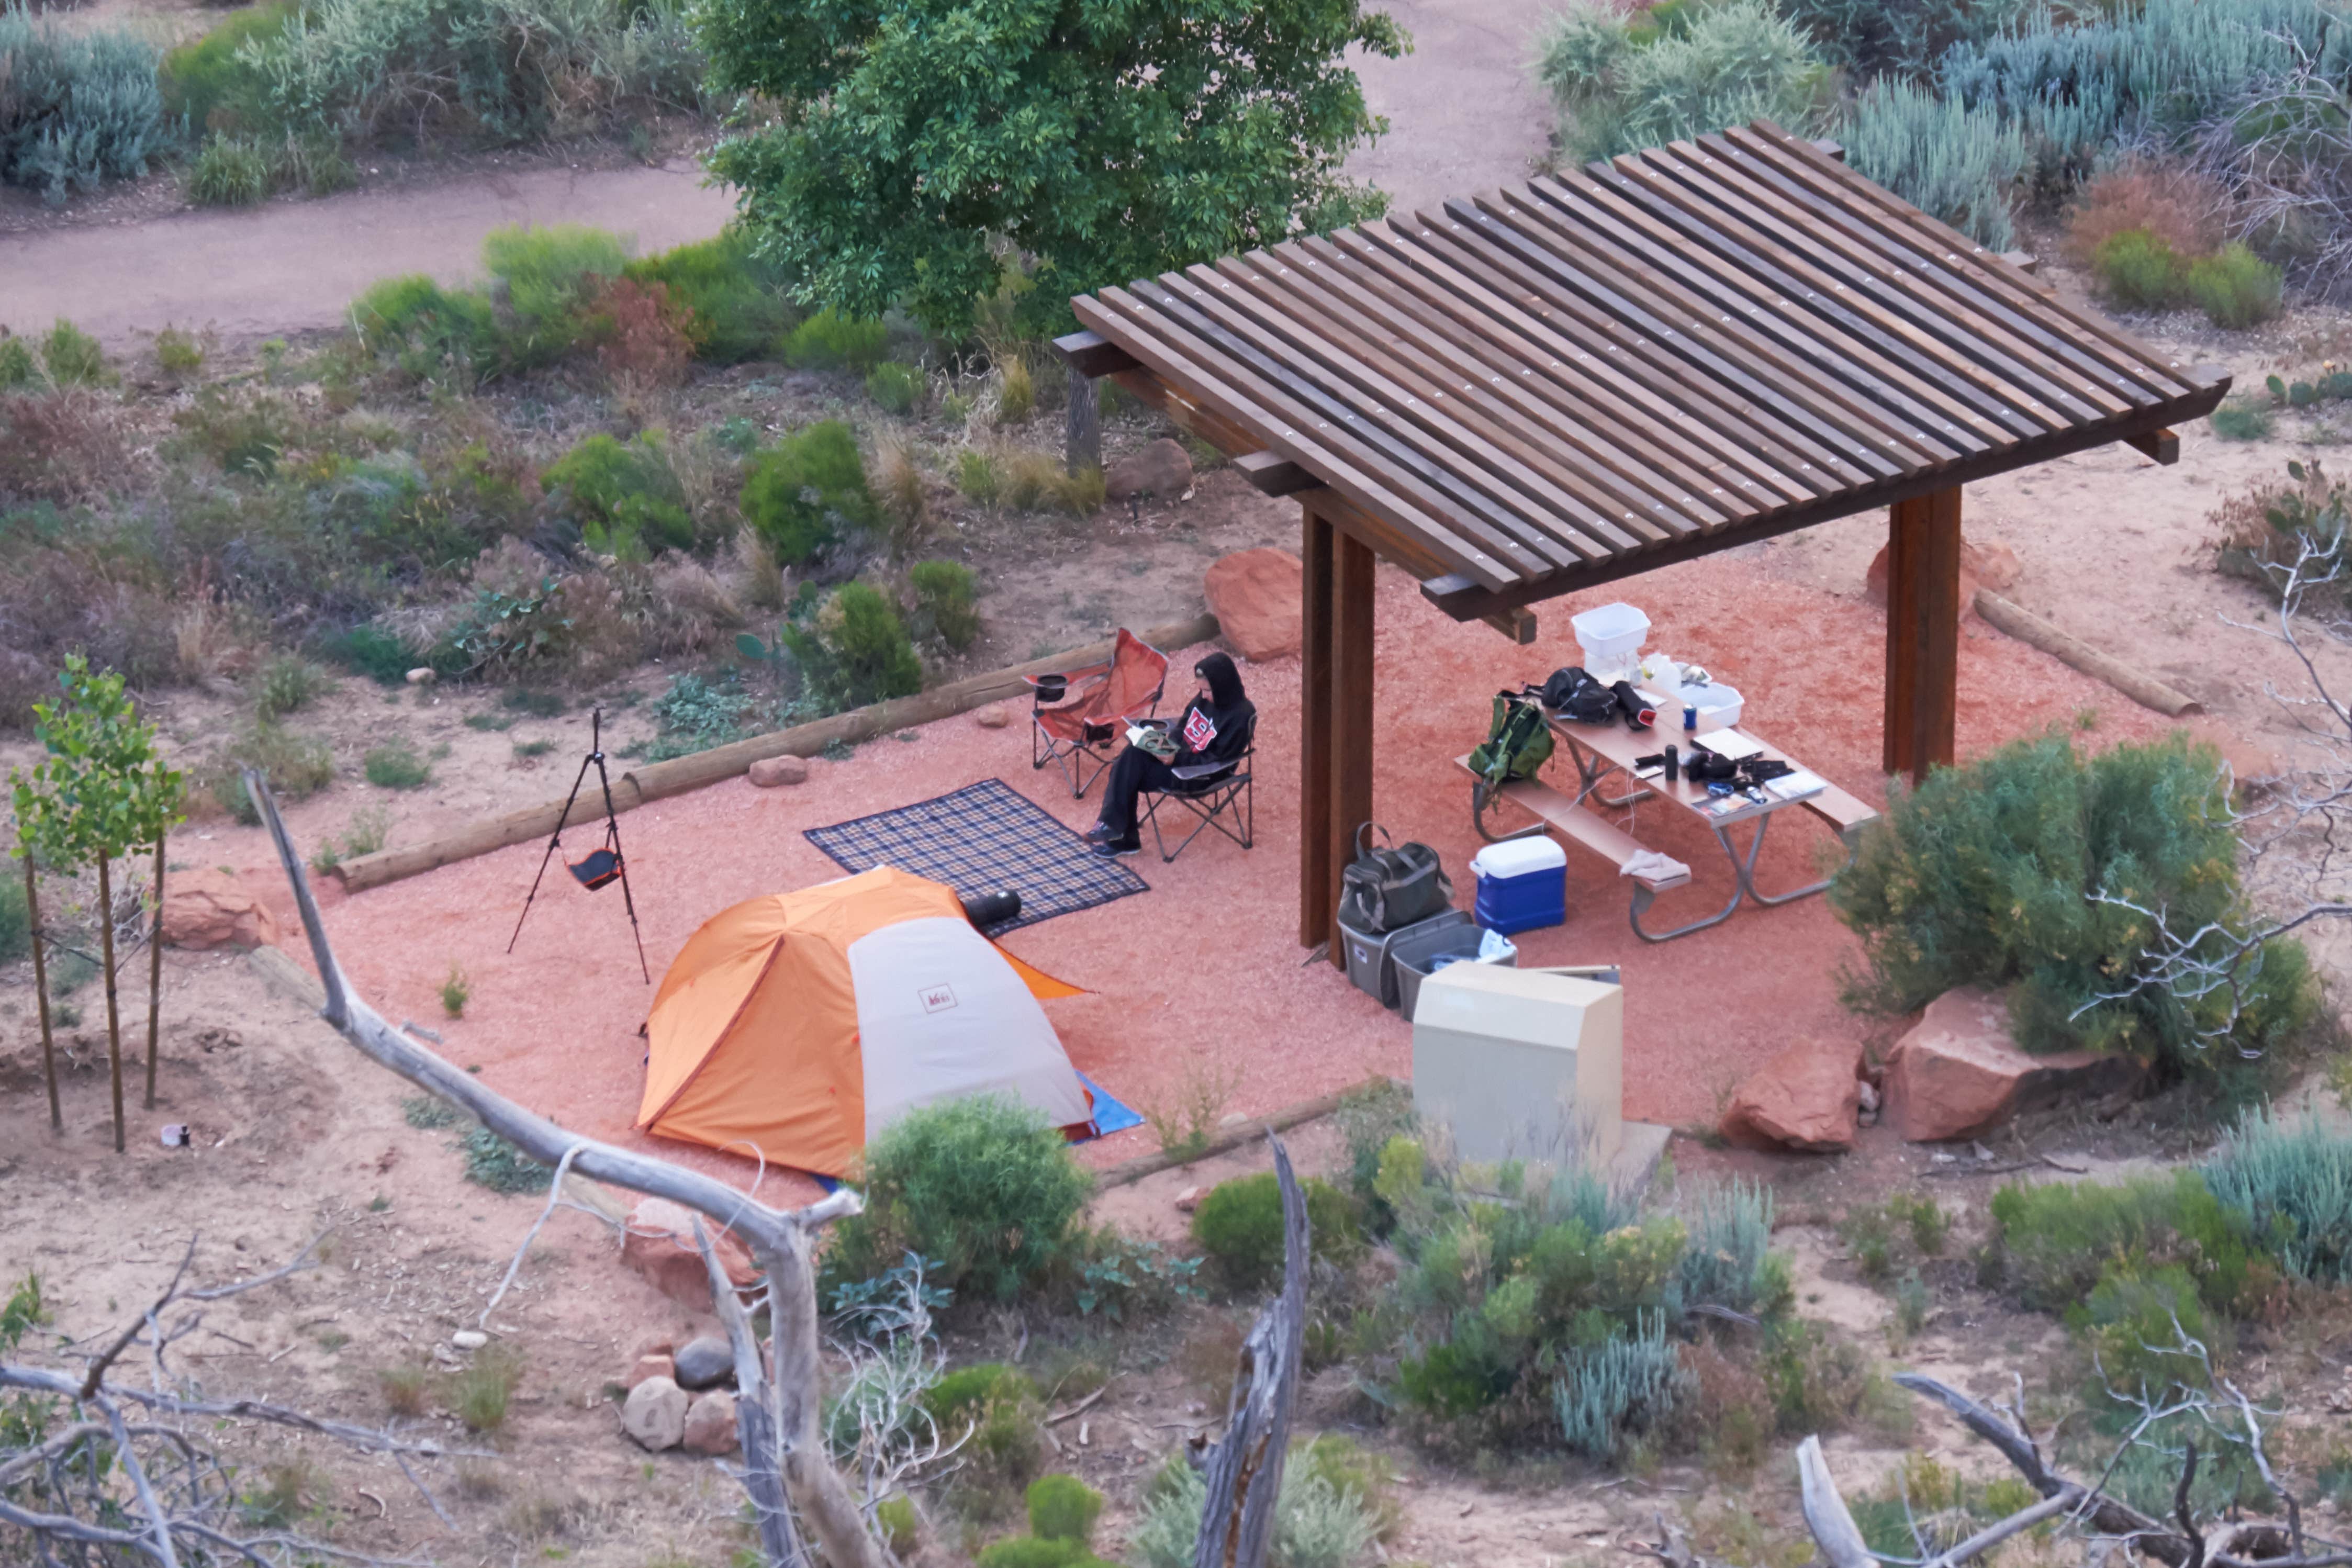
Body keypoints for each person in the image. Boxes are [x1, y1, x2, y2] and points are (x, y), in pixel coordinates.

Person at [1087, 653, 1254, 856]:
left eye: (1208, 690)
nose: (1203, 696)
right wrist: (1166, 746)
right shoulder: (1204, 700)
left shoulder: (1240, 717)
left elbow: (1217, 761)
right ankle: (1116, 832)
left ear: (1223, 686)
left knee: (1127, 773)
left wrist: (1178, 759)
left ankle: (1121, 836)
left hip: (1198, 775)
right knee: (1132, 754)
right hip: (1176, 759)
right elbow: (1183, 725)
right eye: (1201, 690)